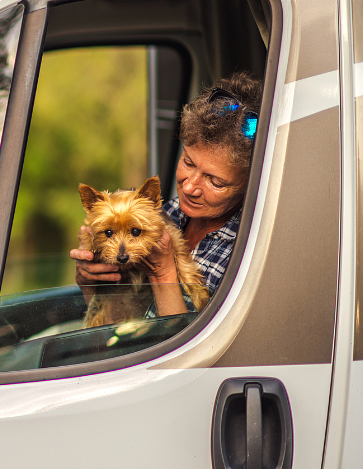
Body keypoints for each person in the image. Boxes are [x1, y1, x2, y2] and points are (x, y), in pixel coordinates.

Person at [70, 71, 262, 316]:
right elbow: (113, 326)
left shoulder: (250, 251)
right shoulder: (169, 212)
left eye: (215, 181)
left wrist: (163, 274)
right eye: (189, 163)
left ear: (251, 182)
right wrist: (91, 282)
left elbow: (196, 349)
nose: (189, 187)